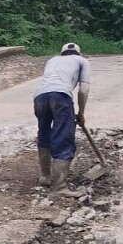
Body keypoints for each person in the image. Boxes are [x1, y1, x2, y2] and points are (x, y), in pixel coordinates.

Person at [33, 42, 91, 198]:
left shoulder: (52, 60)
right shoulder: (82, 61)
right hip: (61, 95)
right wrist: (81, 113)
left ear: (62, 52)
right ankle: (60, 187)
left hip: (39, 96)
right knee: (63, 136)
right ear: (78, 53)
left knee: (44, 132)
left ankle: (45, 177)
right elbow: (84, 90)